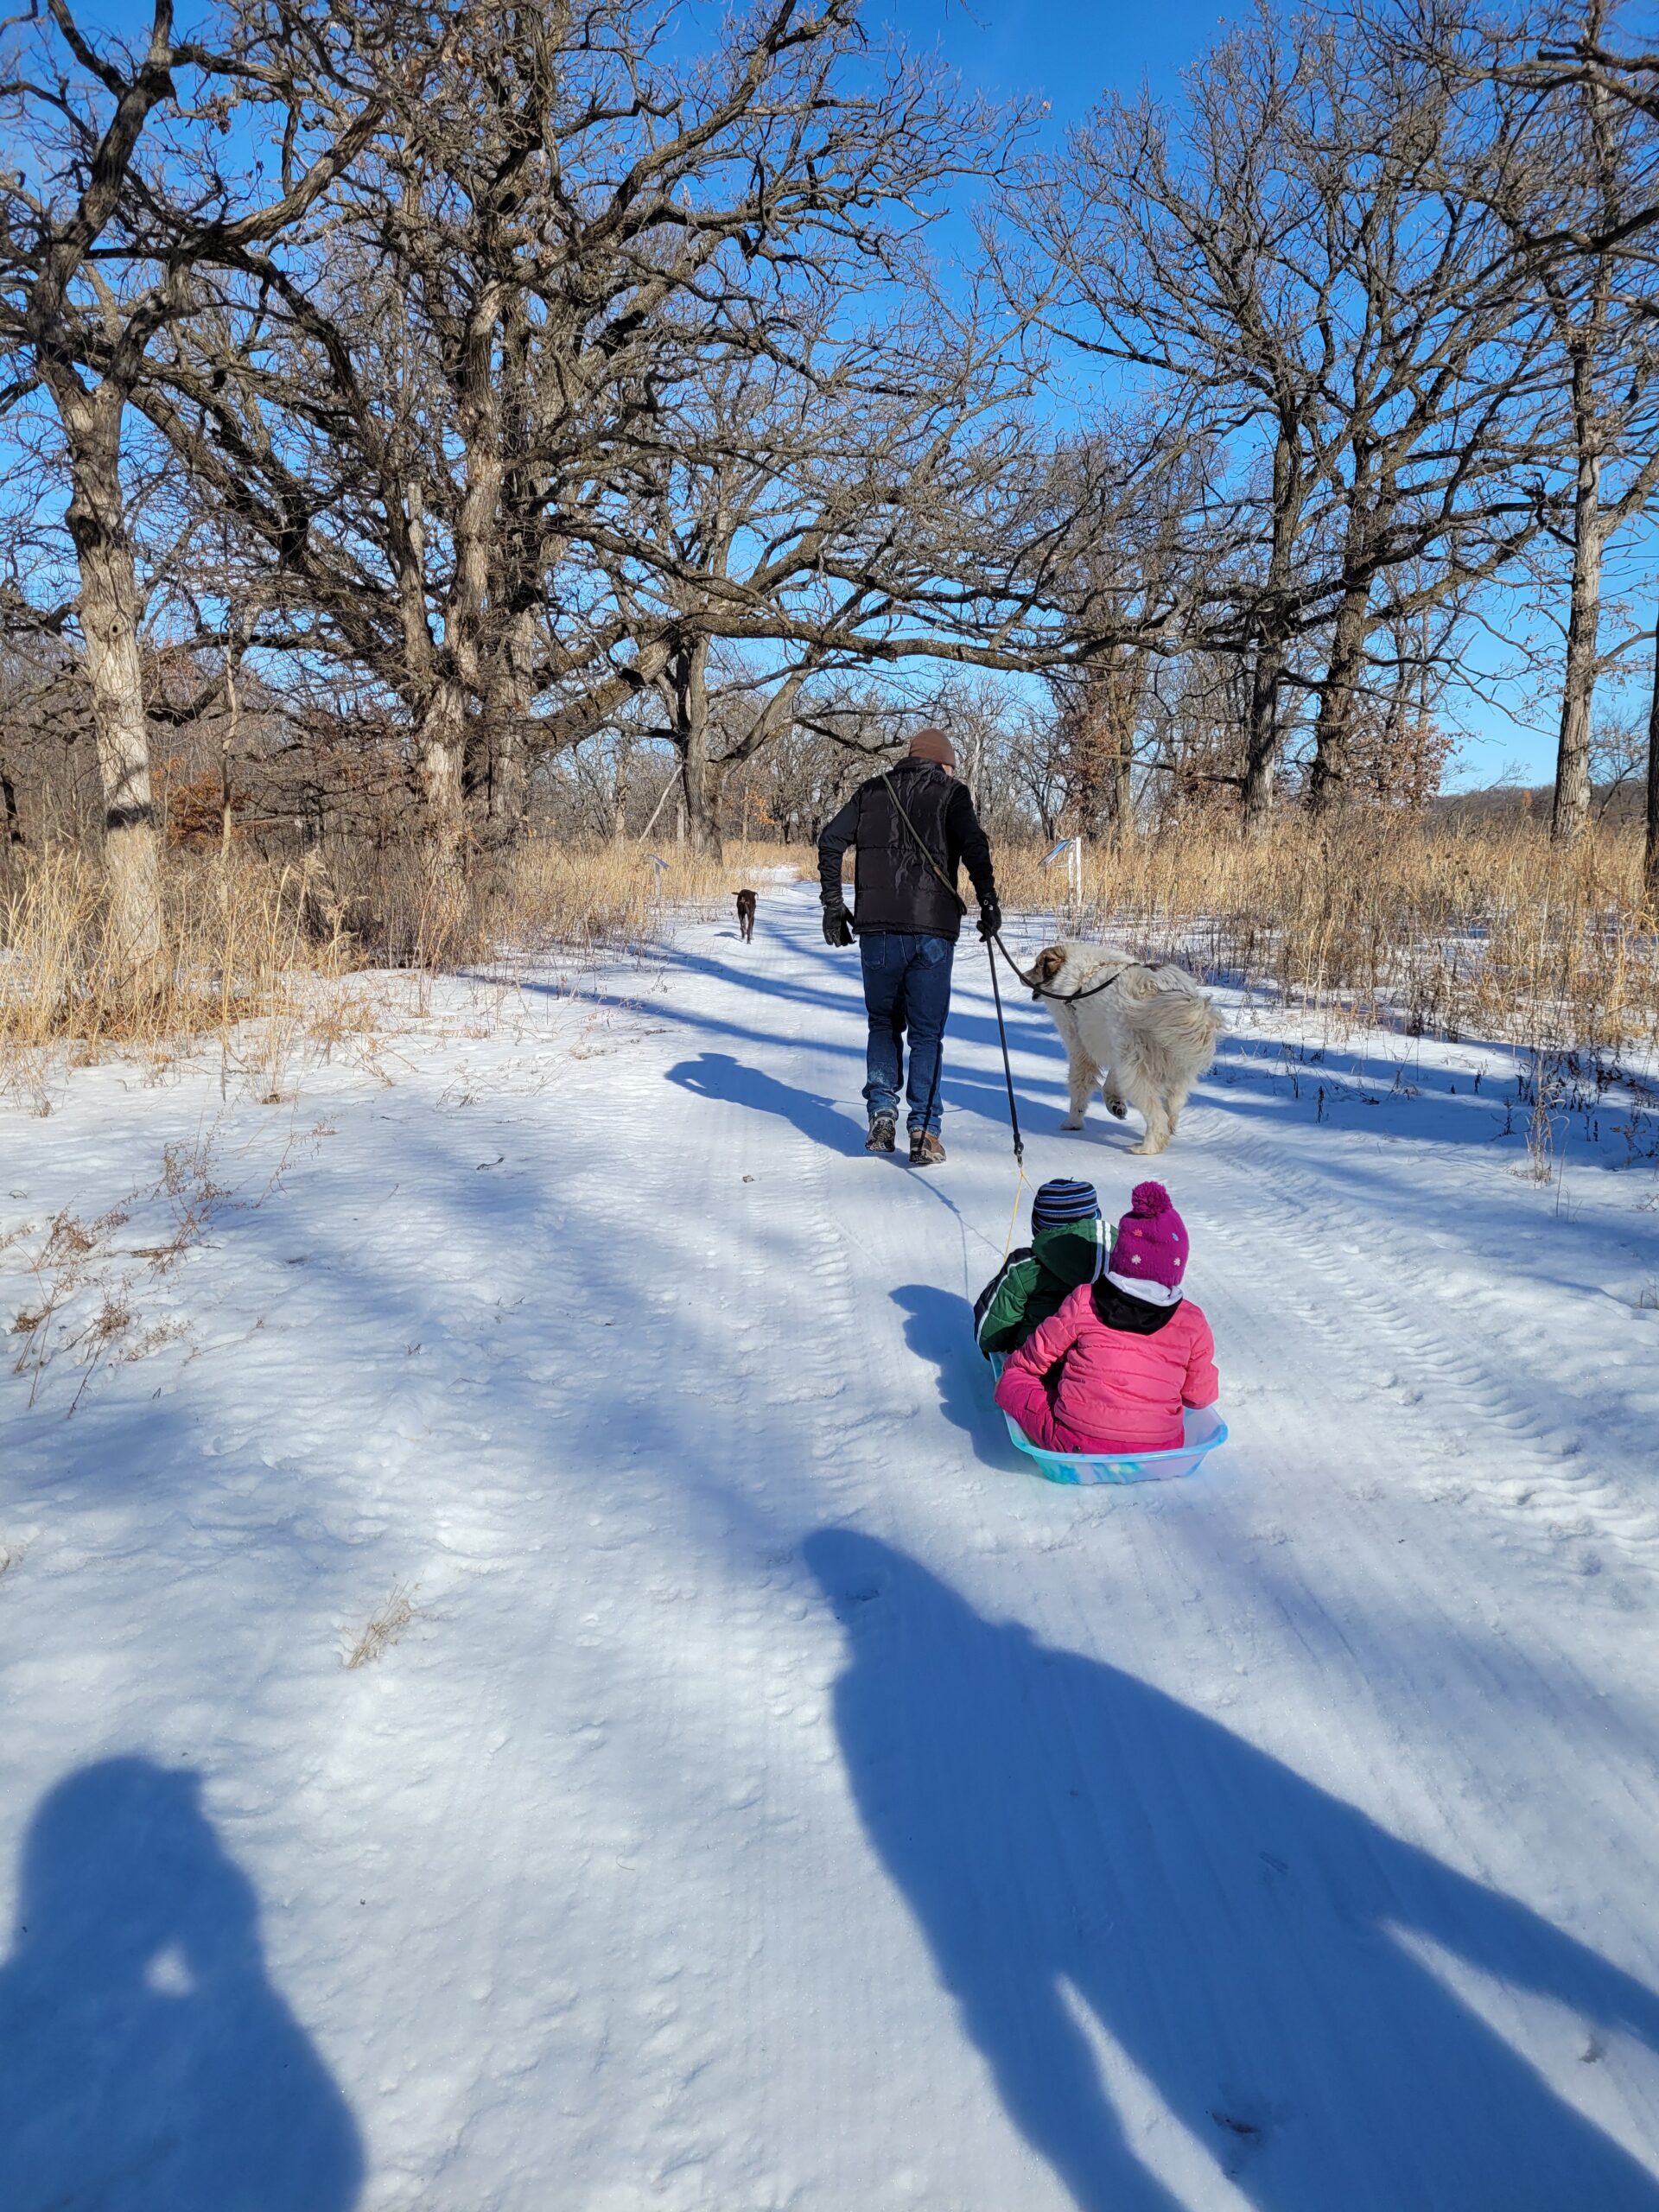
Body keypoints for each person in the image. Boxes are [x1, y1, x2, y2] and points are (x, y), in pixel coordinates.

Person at [817, 726, 1001, 1167]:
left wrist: (833, 906)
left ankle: (882, 1114)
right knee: (926, 1034)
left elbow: (829, 840)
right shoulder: (952, 793)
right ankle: (923, 1132)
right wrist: (988, 899)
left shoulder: (870, 791)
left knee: (883, 1023)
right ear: (943, 762)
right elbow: (974, 845)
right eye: (952, 765)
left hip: (877, 930)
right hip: (933, 931)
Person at [994, 1180, 1218, 1455]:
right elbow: (1200, 1397)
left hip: (1074, 1443)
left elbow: (1031, 1360)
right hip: (1162, 1448)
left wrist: (1019, 1369)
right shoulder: (1192, 1320)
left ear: (1120, 1255)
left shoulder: (1085, 1299)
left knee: (1012, 1380)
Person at [973, 1179, 1108, 1357]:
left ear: (1038, 1226)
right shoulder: (1122, 1258)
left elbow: (988, 1333)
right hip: (1101, 1362)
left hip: (1039, 1364)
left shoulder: (1025, 1267)